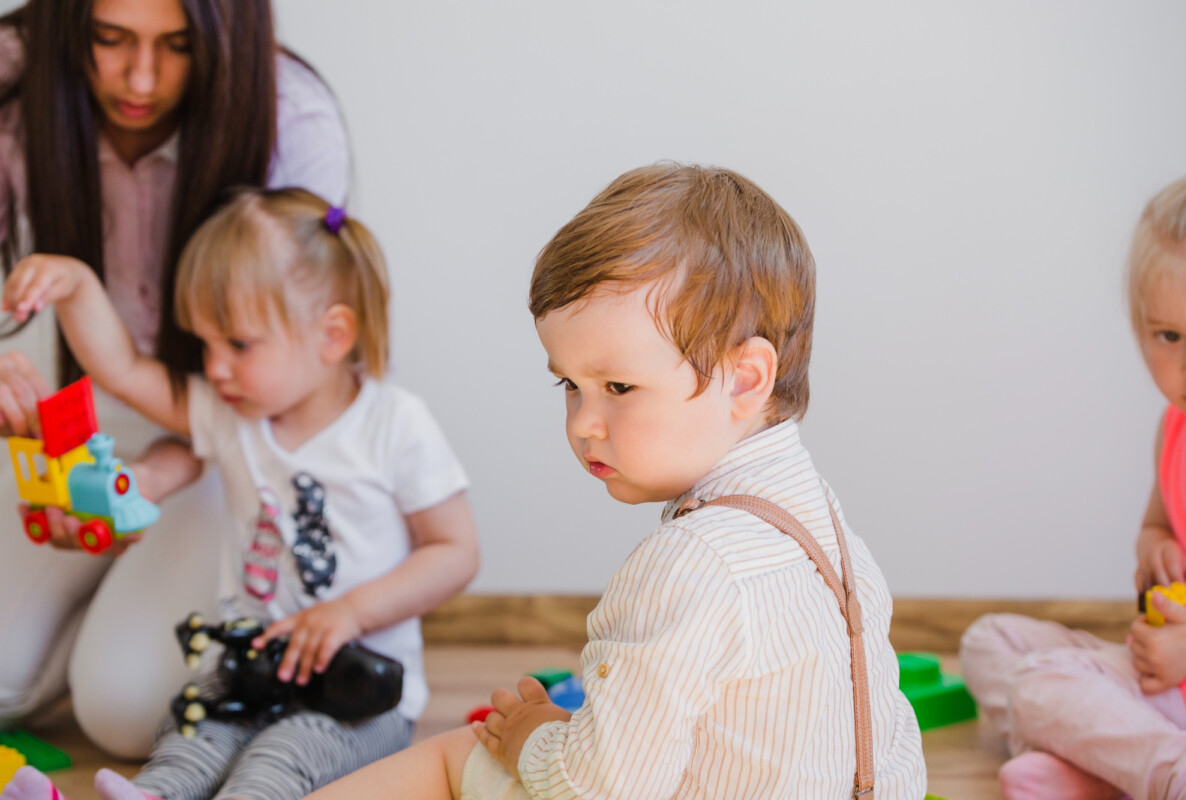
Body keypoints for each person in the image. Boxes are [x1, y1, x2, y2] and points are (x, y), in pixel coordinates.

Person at [303, 163, 927, 800]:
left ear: (744, 379)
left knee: (463, 754)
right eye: (569, 385)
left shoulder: (688, 565)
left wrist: (532, 737)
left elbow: (593, 791)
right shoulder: (829, 527)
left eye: (618, 387)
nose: (583, 424)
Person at [0, 187, 480, 800]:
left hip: (353, 694)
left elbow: (455, 551)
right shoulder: (232, 417)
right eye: (205, 343)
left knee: (277, 762)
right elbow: (120, 367)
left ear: (332, 336)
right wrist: (76, 286)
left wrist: (350, 613)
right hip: (247, 671)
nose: (214, 367)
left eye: (238, 344)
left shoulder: (394, 424)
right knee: (189, 733)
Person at [0, 0, 351, 758]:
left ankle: (108, 611)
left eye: (177, 46)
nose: (140, 78)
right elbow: (118, 367)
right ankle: (88, 608)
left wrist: (166, 469)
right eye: (109, 38)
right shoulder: (13, 70)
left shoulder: (293, 119)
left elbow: (271, 400)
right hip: (117, 421)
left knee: (124, 715)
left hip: (239, 437)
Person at [959, 172, 1186, 800]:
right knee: (990, 642)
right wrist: (1154, 550)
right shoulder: (1177, 429)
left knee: (1038, 685)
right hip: (1162, 679)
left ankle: (1174, 773)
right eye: (1169, 337)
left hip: (1184, 679)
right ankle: (1101, 769)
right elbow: (1157, 526)